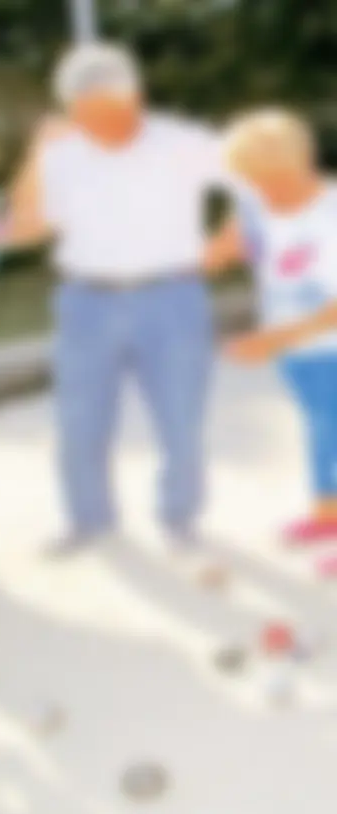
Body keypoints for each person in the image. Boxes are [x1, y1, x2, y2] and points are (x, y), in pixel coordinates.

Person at [8, 42, 235, 556]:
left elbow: (253, 178)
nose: (94, 119)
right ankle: (89, 521)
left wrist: (229, 241)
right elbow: (24, 224)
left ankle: (180, 519)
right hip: (88, 300)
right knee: (80, 418)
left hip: (172, 297)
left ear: (131, 95)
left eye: (104, 105)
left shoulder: (181, 142)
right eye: (82, 109)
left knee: (180, 414)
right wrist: (36, 155)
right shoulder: (63, 153)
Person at [215, 108, 337, 572]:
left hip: (327, 345)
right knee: (322, 430)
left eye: (271, 182)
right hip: (296, 351)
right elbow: (232, 248)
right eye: (252, 184)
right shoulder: (259, 207)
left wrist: (273, 339)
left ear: (303, 163)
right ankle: (329, 513)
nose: (263, 194)